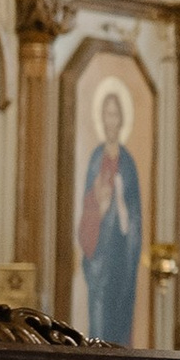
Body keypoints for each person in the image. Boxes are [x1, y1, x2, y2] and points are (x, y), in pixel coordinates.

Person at [77, 86, 143, 346]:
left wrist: (119, 202)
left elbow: (134, 219)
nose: (111, 121)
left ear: (122, 119)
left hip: (121, 261)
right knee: (98, 327)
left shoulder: (128, 163)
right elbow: (86, 210)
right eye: (107, 114)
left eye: (115, 115)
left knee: (118, 328)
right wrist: (100, 205)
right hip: (98, 261)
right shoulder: (95, 159)